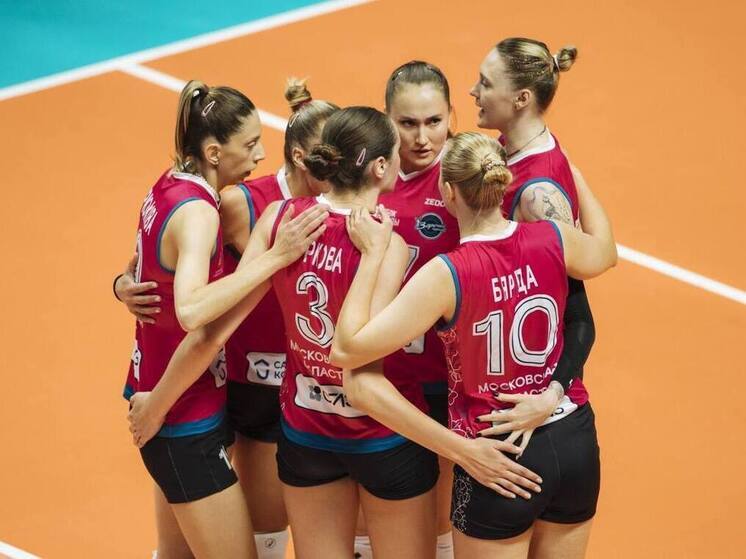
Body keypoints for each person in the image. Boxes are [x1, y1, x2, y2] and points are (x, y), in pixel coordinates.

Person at [330, 131, 616, 558]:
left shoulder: (446, 273)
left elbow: (347, 349)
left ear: (449, 192)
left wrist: (373, 257)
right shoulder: (554, 237)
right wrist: (574, 174)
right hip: (572, 436)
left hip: (495, 453)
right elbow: (606, 253)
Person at [116, 78, 337, 558]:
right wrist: (275, 256)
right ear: (214, 152)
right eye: (250, 143)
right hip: (179, 411)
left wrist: (121, 284)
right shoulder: (203, 213)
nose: (261, 154)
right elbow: (192, 311)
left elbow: (144, 265)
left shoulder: (169, 183)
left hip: (170, 394)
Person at [353, 60, 461, 559]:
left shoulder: (465, 178)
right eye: (408, 123)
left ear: (451, 115)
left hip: (443, 375)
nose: (422, 138)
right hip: (378, 377)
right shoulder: (362, 176)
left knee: (440, 516)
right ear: (386, 119)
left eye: (434, 121)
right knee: (365, 520)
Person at [469, 38, 597, 451]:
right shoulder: (510, 151)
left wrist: (550, 396)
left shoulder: (537, 195)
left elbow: (578, 316)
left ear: (521, 98)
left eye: (486, 83)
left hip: (523, 411)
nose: (473, 91)